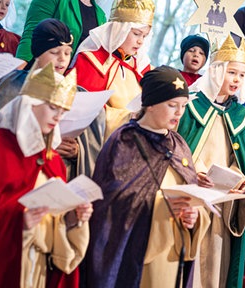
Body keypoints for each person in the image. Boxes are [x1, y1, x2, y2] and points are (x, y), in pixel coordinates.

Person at [0, 62, 93, 288]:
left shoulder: (54, 163)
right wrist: (17, 223)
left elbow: (54, 231)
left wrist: (73, 220)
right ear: (29, 104)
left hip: (37, 270)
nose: (58, 118)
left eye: (63, 112)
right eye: (53, 108)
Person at [81, 66, 210, 288]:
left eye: (183, 106)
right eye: (172, 105)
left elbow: (192, 193)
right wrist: (162, 206)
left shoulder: (179, 145)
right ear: (150, 104)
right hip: (138, 255)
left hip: (170, 255)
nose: (179, 113)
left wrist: (195, 217)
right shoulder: (124, 141)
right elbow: (110, 207)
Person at [177, 34, 245, 288]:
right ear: (217, 71)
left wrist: (238, 179)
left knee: (214, 264)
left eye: (242, 75)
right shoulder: (189, 106)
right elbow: (177, 150)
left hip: (222, 202)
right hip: (191, 195)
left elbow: (240, 161)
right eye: (232, 73)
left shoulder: (244, 117)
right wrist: (193, 172)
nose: (236, 80)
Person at [0, 18, 105, 180]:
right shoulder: (13, 83)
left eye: (67, 53)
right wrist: (46, 144)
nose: (62, 59)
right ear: (38, 52)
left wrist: (77, 152)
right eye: (54, 52)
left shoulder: (78, 93)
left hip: (58, 173)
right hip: (16, 169)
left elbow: (91, 145)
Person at [72, 0, 155, 139]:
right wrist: (128, 118)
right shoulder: (91, 60)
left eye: (145, 36)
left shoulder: (142, 68)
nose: (140, 41)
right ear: (119, 30)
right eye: (136, 33)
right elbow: (83, 110)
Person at [16, 0, 122, 62]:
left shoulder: (101, 17)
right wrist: (17, 74)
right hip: (39, 75)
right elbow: (30, 35)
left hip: (69, 82)